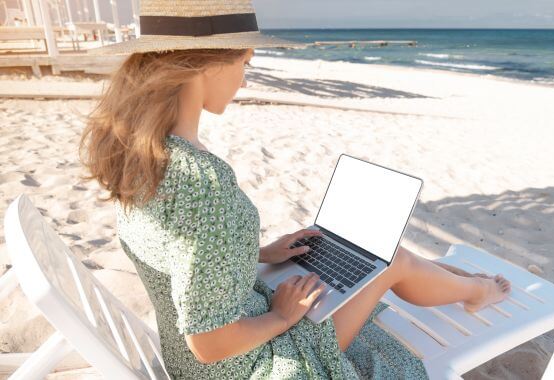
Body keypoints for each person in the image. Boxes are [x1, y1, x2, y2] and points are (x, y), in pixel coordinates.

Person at [79, 1, 511, 378]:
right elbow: (209, 342)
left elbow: (180, 249)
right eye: (245, 63)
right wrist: (282, 317)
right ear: (209, 65)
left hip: (193, 361)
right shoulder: (202, 183)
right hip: (251, 363)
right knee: (389, 261)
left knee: (381, 259)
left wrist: (258, 252)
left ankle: (463, 280)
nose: (245, 80)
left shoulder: (142, 154)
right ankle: (478, 292)